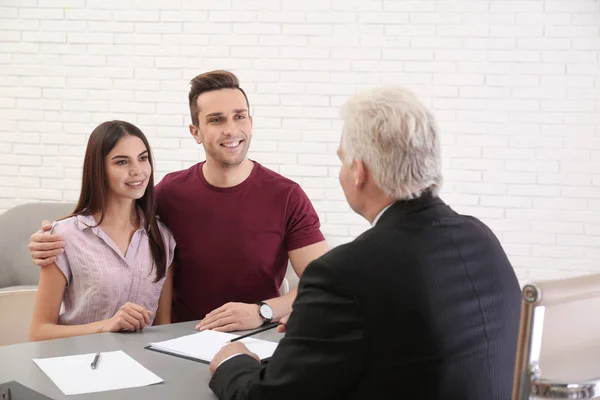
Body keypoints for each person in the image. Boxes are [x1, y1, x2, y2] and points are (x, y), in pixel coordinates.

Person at [208, 85, 522, 400]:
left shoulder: (344, 273)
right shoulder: (481, 238)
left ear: (359, 172)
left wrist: (232, 361)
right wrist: (318, 330)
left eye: (343, 160)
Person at [28, 70, 328, 332]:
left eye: (239, 116)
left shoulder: (287, 196)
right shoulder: (170, 193)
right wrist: (48, 237)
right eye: (216, 119)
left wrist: (262, 311)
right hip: (181, 341)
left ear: (251, 121)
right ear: (195, 132)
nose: (231, 129)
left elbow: (324, 283)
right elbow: (113, 215)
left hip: (257, 336)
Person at [29, 120, 176, 341]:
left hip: (143, 368)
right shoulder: (63, 237)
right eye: (122, 162)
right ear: (99, 169)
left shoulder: (162, 238)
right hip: (78, 366)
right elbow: (39, 333)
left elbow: (163, 329)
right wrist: (107, 326)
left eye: (143, 158)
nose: (137, 171)